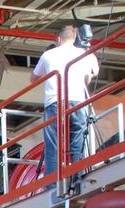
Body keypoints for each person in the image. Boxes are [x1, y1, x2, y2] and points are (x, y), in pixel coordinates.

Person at [32, 23, 99, 178]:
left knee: (53, 144)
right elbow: (93, 73)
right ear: (76, 38)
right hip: (78, 102)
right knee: (78, 140)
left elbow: (33, 79)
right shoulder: (85, 53)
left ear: (58, 38)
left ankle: (52, 182)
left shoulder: (49, 55)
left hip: (54, 103)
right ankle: (79, 176)